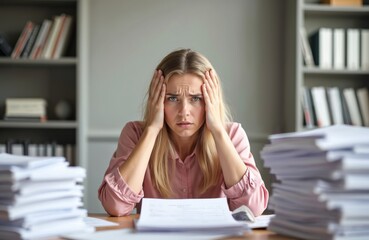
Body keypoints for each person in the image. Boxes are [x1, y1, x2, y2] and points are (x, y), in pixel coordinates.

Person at [98, 48, 269, 217]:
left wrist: (217, 130)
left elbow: (252, 208)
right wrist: (151, 130)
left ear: (212, 100)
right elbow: (116, 206)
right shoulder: (135, 134)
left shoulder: (232, 135)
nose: (184, 111)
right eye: (172, 98)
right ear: (157, 100)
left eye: (196, 98)